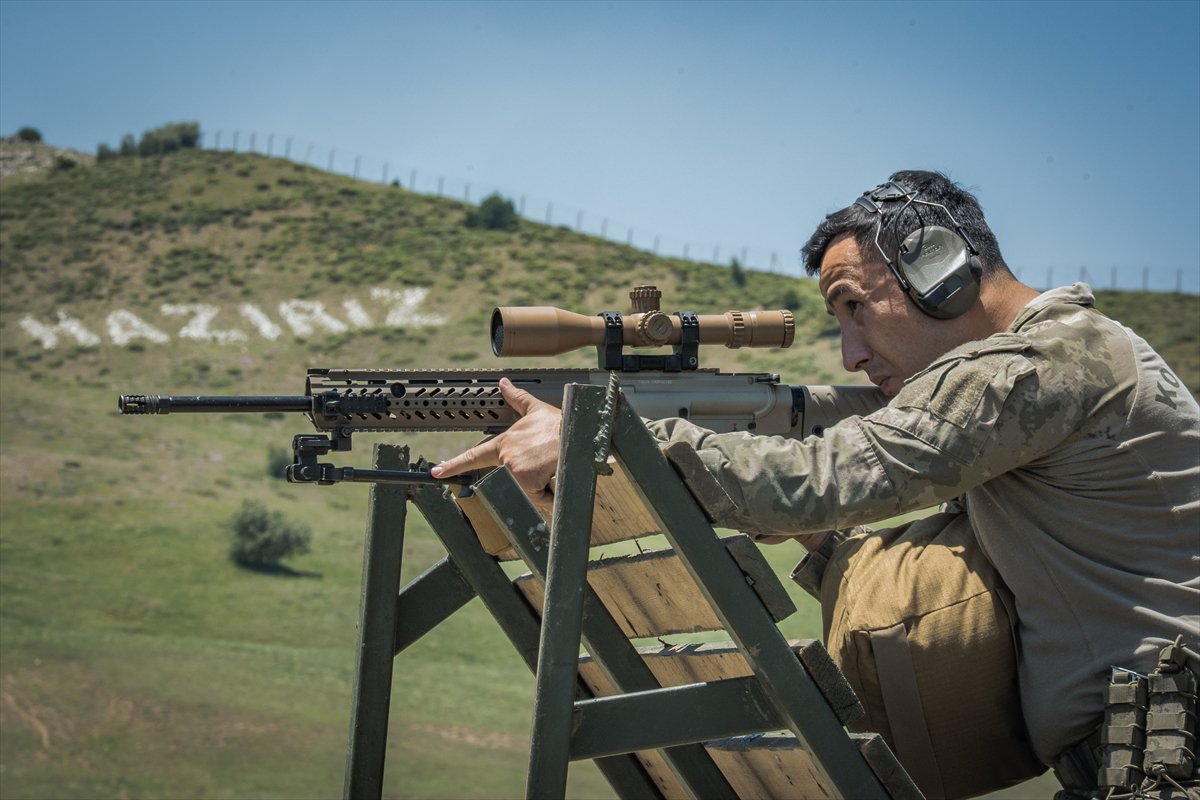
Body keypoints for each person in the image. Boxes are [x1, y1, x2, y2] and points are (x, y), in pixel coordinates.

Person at [433, 170, 1200, 788]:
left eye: (854, 308)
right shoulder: (1053, 367)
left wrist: (603, 440)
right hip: (1136, 759)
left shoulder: (1038, 367)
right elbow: (857, 459)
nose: (852, 352)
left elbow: (837, 475)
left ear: (939, 269)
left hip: (1166, 760)